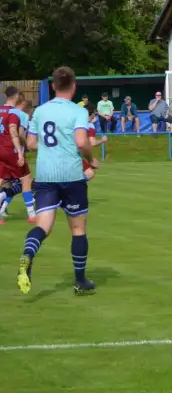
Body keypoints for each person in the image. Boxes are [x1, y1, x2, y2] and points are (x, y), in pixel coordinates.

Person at [16, 67, 99, 295]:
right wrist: (92, 161)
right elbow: (82, 142)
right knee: (78, 229)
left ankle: (28, 255)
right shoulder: (78, 111)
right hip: (71, 175)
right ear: (73, 86)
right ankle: (80, 281)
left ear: (53, 86)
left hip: (45, 175)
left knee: (43, 225)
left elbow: (31, 144)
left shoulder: (41, 111)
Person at [0, 87, 36, 223]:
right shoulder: (14, 113)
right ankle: (32, 214)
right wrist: (21, 151)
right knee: (26, 179)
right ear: (16, 96)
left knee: (1, 179)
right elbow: (16, 133)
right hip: (10, 150)